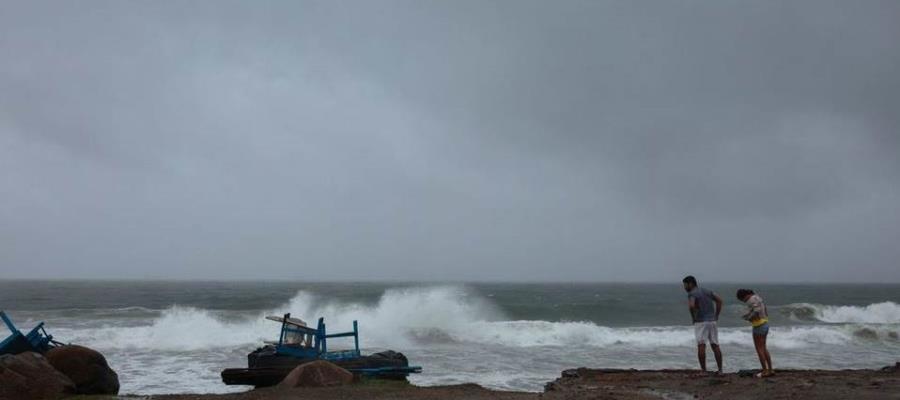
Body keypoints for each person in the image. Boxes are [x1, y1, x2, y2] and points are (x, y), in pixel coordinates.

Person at [682, 276, 724, 374]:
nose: (684, 287)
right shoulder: (706, 291)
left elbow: (691, 306)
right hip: (712, 321)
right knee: (715, 345)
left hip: (701, 321)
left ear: (690, 284)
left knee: (701, 345)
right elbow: (719, 300)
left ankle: (703, 371)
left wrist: (693, 317)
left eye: (685, 285)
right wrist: (716, 315)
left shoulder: (692, 293)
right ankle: (720, 370)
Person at [737, 288, 774, 377]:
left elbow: (756, 311)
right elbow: (763, 309)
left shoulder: (751, 300)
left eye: (743, 299)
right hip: (765, 323)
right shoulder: (757, 297)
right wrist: (749, 315)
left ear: (745, 296)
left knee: (759, 349)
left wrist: (749, 318)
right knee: (764, 348)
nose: (744, 301)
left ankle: (765, 371)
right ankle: (770, 369)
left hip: (759, 326)